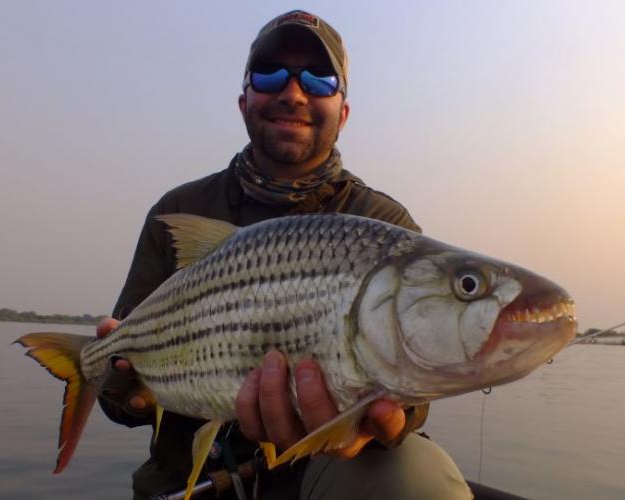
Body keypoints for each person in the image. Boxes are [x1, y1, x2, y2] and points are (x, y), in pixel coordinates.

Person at [97, 10, 471, 500]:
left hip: (318, 482)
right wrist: (122, 384)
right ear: (244, 100)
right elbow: (122, 388)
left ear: (344, 109)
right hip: (185, 485)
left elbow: (412, 384)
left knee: (417, 474)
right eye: (270, 74)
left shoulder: (382, 223)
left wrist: (392, 419)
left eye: (319, 79)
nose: (293, 93)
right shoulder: (178, 211)